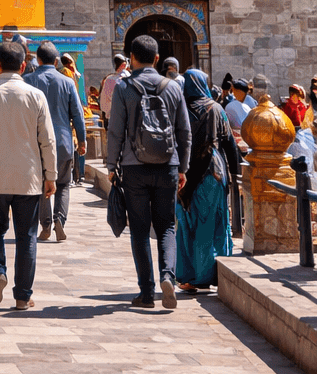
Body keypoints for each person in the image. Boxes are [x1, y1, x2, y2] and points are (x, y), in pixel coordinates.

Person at [0, 38, 58, 310]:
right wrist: (51, 175)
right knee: (26, 236)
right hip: (28, 178)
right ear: (23, 66)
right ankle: (23, 296)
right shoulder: (36, 96)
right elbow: (47, 140)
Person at [106, 32, 191, 310]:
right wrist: (183, 167)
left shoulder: (124, 88)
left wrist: (111, 165)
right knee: (167, 226)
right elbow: (184, 131)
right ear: (157, 59)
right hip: (168, 165)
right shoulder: (173, 87)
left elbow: (115, 131)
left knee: (140, 230)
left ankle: (146, 292)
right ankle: (168, 276)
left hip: (134, 168)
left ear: (131, 58)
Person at [177, 68, 238, 292]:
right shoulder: (216, 109)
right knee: (209, 223)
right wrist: (235, 174)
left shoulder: (178, 108)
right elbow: (229, 143)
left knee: (186, 224)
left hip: (182, 174)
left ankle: (188, 276)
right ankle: (209, 274)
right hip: (211, 173)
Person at [26, 42, 86, 244]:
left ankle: (45, 225)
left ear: (38, 59)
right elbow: (77, 115)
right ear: (56, 61)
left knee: (43, 183)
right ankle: (59, 219)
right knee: (63, 184)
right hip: (63, 142)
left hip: (36, 143)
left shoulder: (28, 81)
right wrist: (82, 140)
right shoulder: (67, 82)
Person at [98, 54, 128, 131]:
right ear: (124, 64)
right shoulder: (130, 77)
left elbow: (103, 105)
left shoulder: (109, 80)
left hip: (113, 120)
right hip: (129, 121)